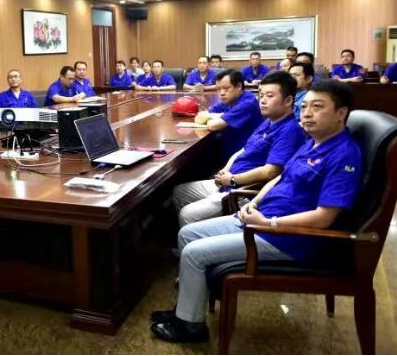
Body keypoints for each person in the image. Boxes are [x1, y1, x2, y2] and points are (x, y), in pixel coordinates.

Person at [151, 80, 362, 344]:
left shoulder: (344, 155)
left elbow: (324, 218)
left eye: (317, 107)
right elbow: (280, 177)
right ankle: (186, 310)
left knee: (193, 253)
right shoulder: (313, 142)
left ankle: (191, 328)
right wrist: (255, 203)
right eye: (305, 106)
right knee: (188, 233)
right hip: (260, 219)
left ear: (341, 113)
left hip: (287, 237)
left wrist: (269, 222)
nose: (307, 113)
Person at [173, 71, 306, 227]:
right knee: (180, 191)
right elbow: (244, 150)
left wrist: (232, 179)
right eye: (261, 95)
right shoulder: (269, 121)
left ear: (288, 100)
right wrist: (225, 170)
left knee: (187, 214)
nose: (262, 101)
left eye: (269, 96)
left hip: (243, 190)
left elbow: (271, 172)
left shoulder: (289, 130)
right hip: (228, 180)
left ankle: (194, 237)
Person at [194, 69, 263, 159]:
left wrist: (214, 117)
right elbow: (200, 117)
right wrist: (220, 115)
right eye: (218, 89)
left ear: (239, 86)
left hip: (245, 156)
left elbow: (213, 125)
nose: (221, 93)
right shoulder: (227, 100)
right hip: (227, 151)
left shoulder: (248, 103)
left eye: (226, 88)